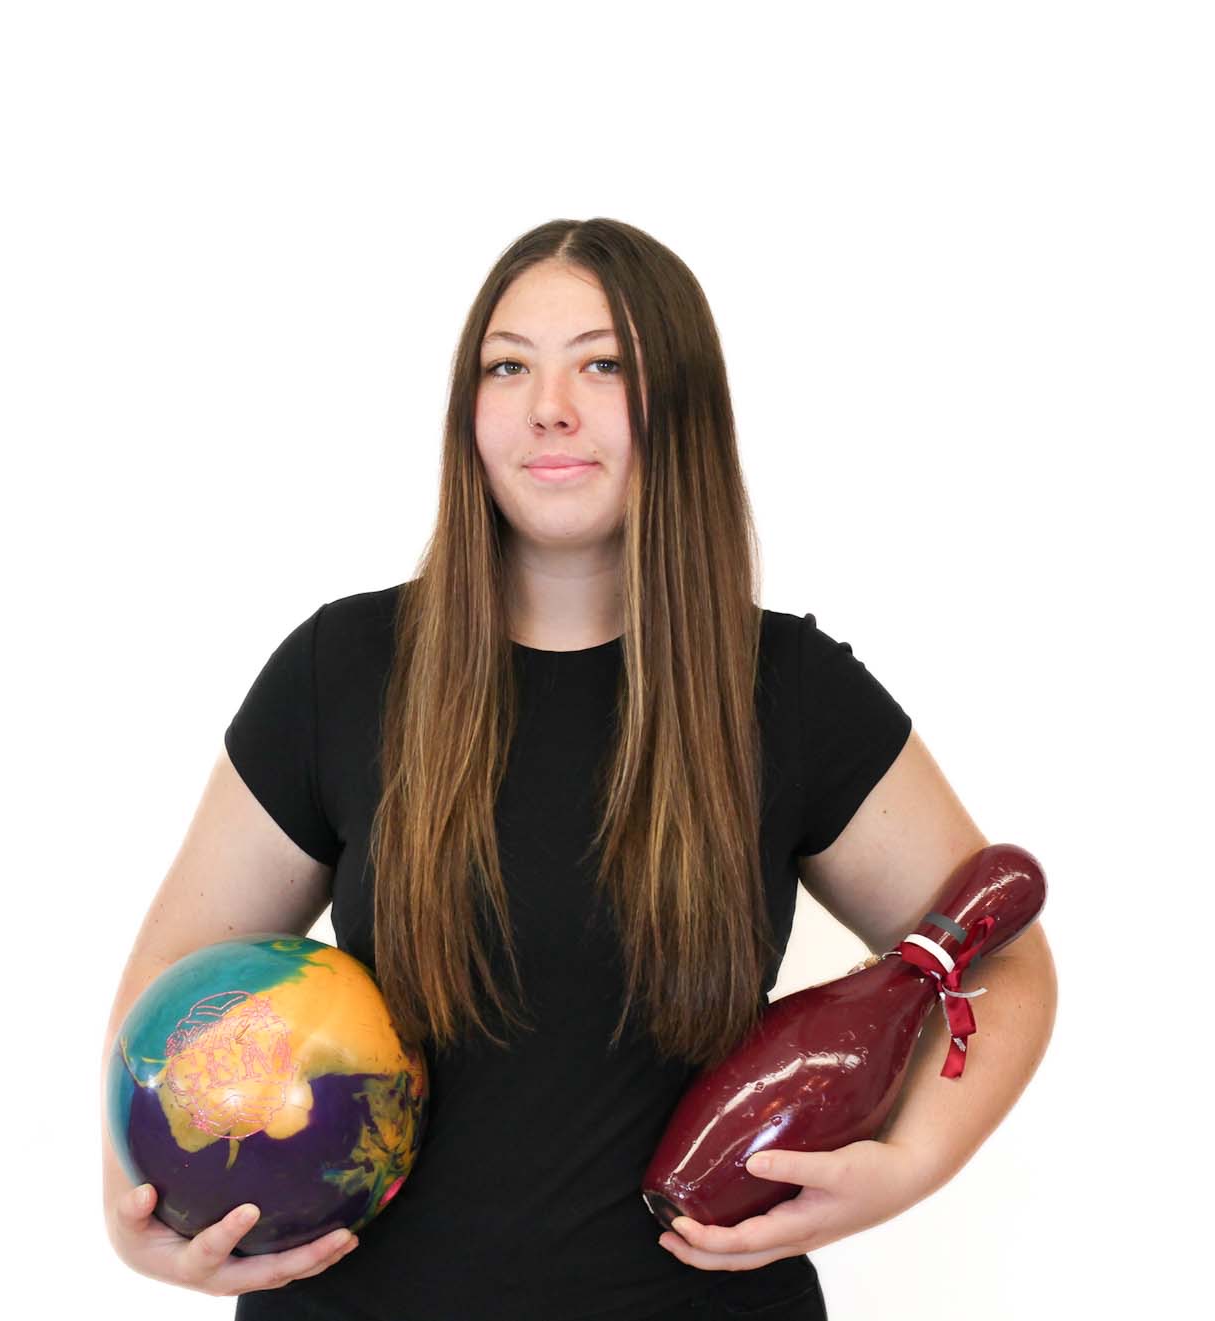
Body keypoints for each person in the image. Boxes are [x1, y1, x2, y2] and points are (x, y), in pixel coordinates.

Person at [102, 217, 1053, 1320]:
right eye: (508, 366)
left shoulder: (789, 689)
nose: (549, 403)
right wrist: (143, 1225)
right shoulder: (341, 670)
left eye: (603, 365)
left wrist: (912, 1166)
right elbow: (173, 985)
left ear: (680, 406)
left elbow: (1003, 962)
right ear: (471, 413)